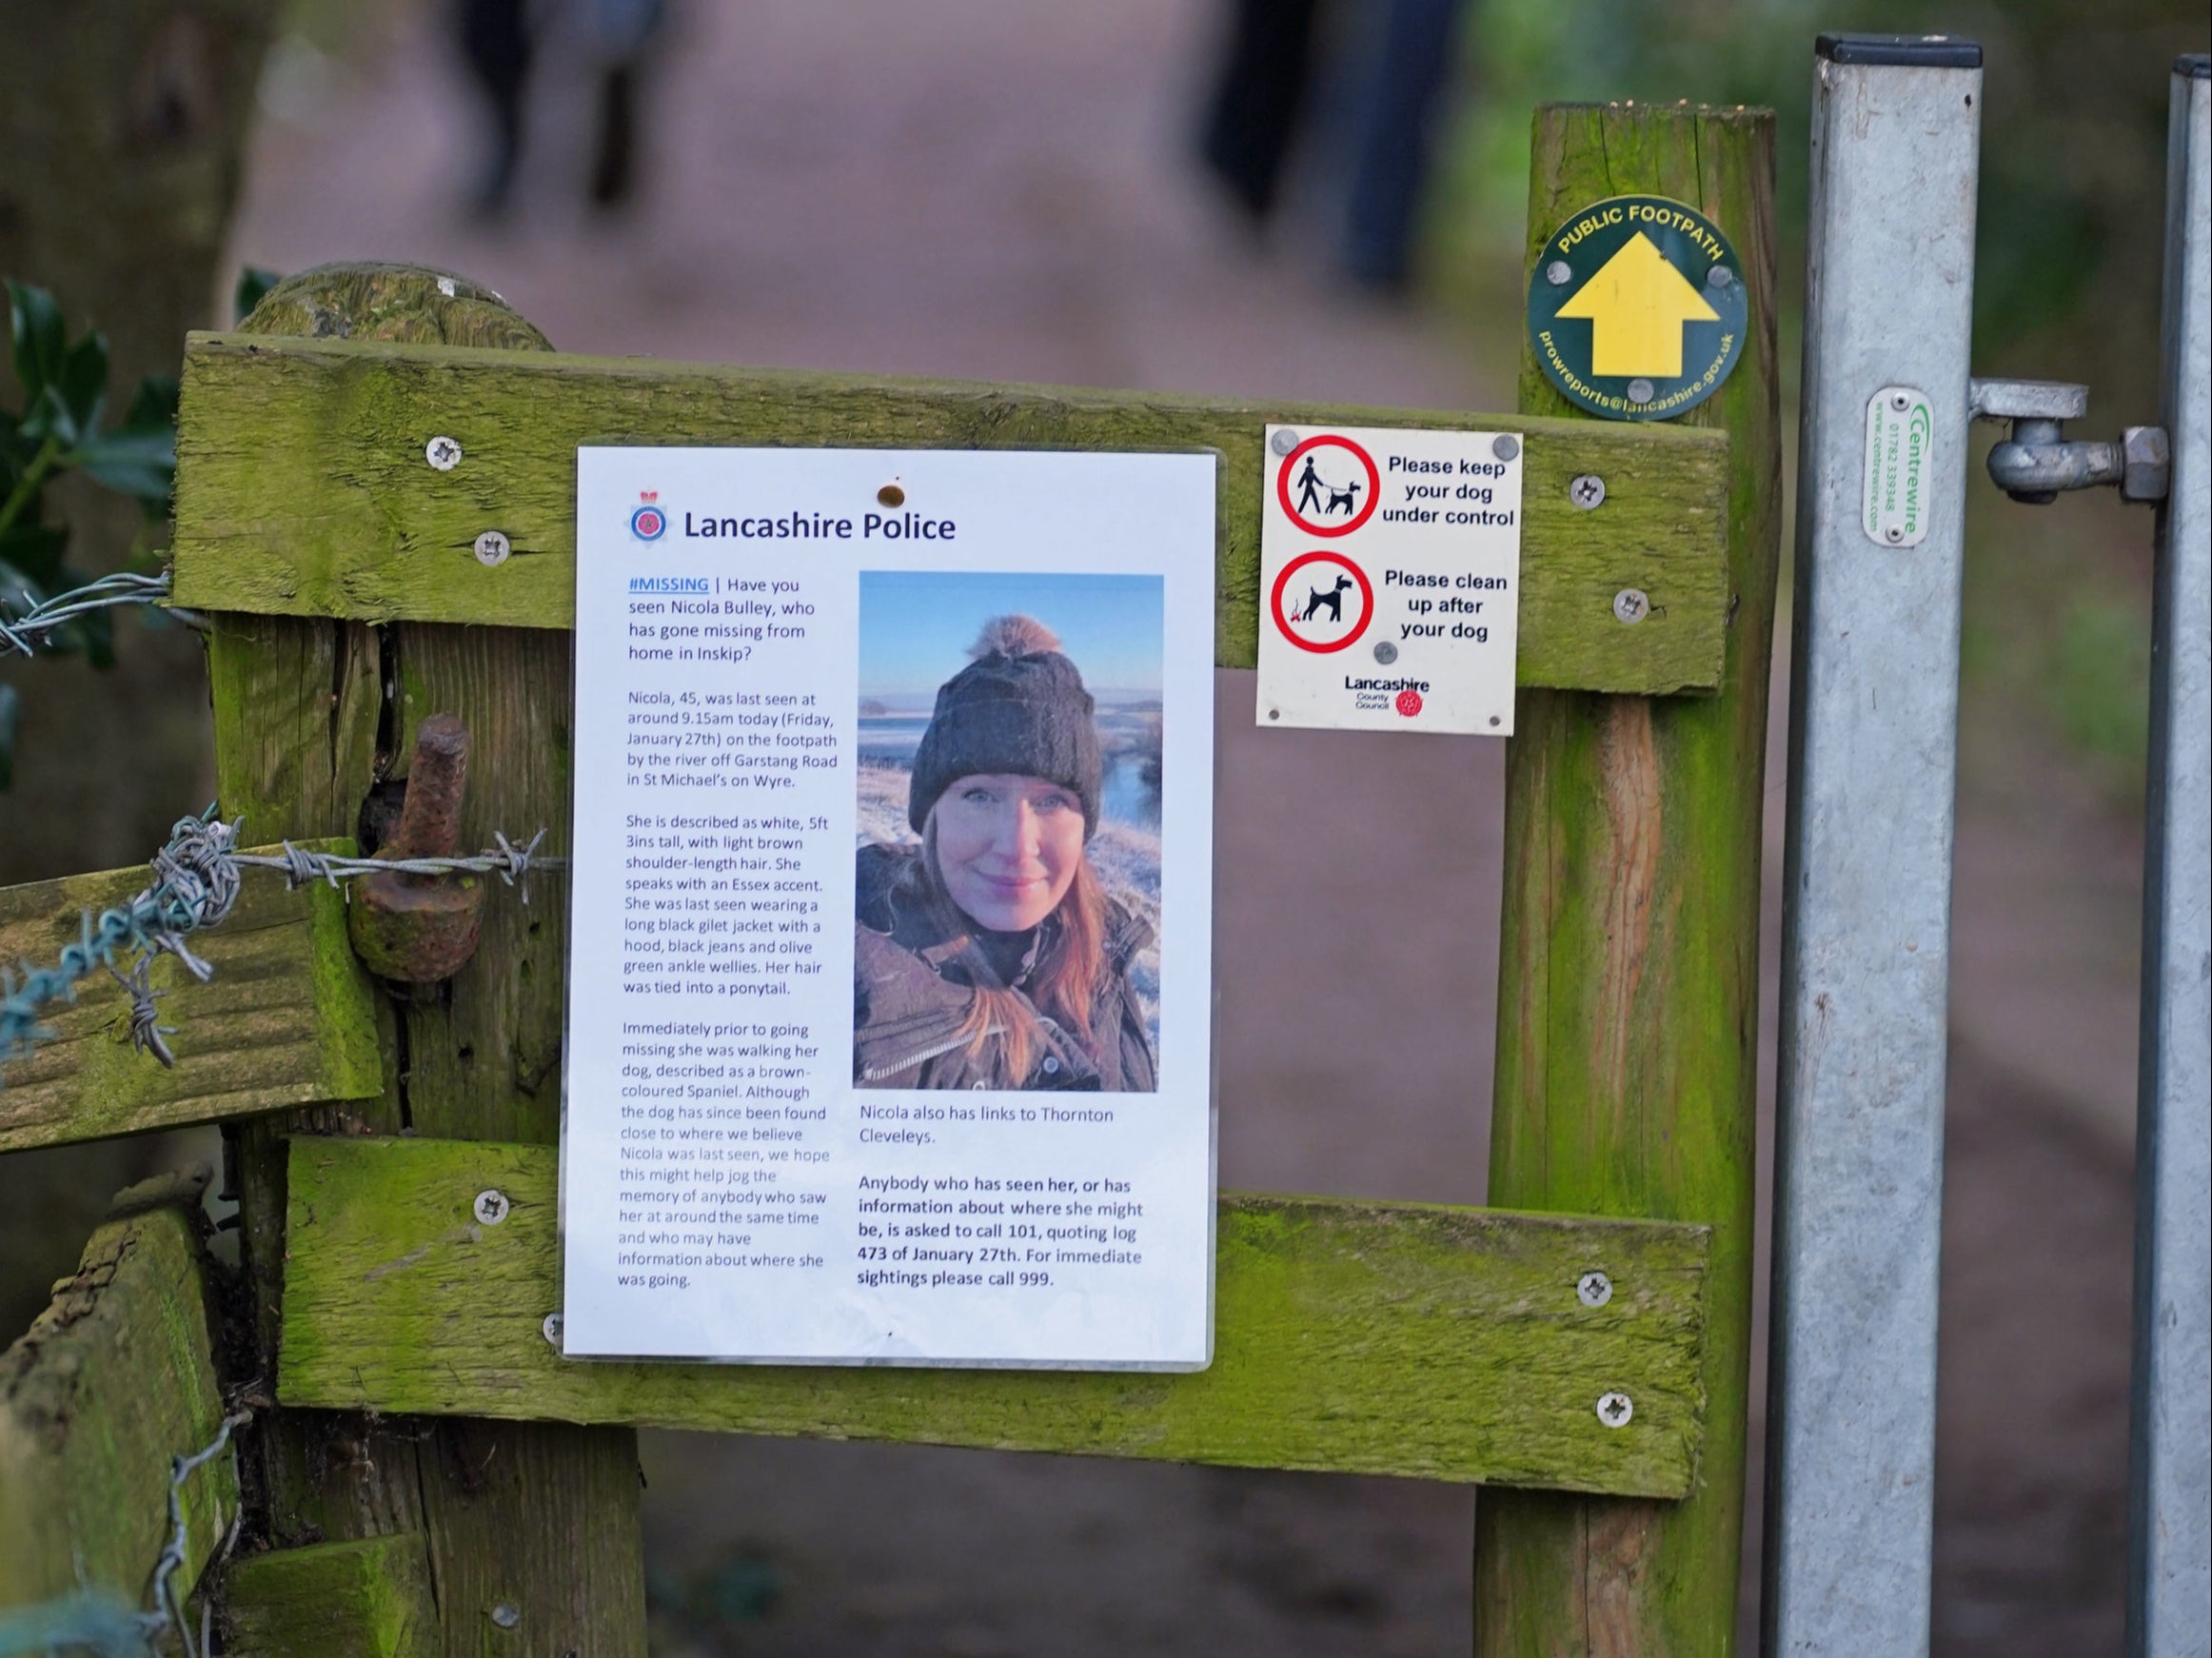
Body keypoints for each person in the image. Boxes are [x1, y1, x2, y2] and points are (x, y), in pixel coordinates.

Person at [854, 616, 1157, 1093]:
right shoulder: (857, 970)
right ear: (933, 815)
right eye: (979, 796)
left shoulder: (1104, 951)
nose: (1017, 846)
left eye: (1051, 800)